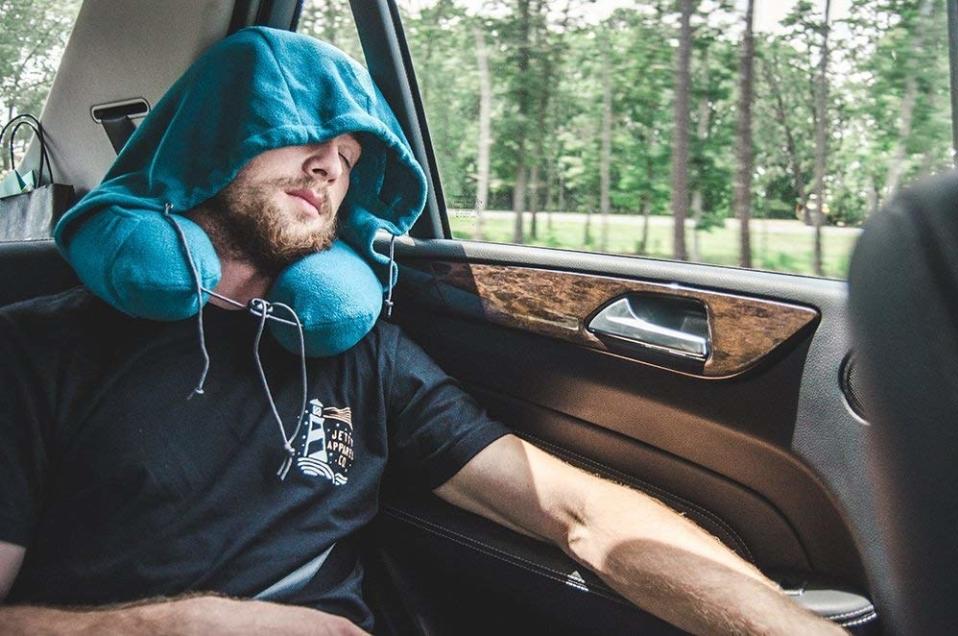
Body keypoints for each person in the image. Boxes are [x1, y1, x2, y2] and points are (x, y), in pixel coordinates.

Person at [0, 27, 843, 636]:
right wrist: (173, 627)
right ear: (208, 139)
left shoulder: (357, 352)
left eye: (350, 154)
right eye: (298, 134)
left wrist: (781, 626)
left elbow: (578, 512)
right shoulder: (35, 351)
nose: (331, 166)